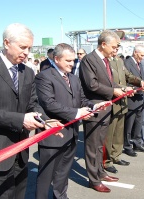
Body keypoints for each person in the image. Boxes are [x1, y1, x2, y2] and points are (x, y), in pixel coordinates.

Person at [0, 23, 63, 199]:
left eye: (29, 48)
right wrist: (20, 119)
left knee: (19, 194)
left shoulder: (28, 72)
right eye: (23, 47)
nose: (27, 53)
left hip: (21, 149)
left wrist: (45, 120)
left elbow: (33, 104)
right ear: (7, 43)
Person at [35, 43, 106, 198]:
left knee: (63, 173)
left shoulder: (73, 78)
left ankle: (60, 196)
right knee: (46, 175)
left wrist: (93, 106)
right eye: (68, 61)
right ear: (56, 59)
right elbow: (49, 103)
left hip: (71, 133)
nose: (72, 64)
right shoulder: (44, 77)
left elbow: (81, 99)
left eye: (73, 60)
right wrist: (76, 113)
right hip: (53, 135)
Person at [79, 30, 125, 193]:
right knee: (92, 146)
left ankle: (100, 172)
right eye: (113, 47)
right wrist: (113, 92)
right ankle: (93, 180)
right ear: (103, 44)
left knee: (100, 145)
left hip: (105, 107)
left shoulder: (106, 60)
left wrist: (124, 88)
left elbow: (110, 82)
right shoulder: (88, 60)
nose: (116, 50)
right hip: (94, 108)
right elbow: (92, 85)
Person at [104, 43, 144, 174]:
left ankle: (116, 156)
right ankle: (107, 161)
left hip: (122, 101)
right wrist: (123, 89)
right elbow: (108, 82)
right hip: (113, 100)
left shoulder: (119, 60)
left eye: (117, 48)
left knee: (119, 132)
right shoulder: (105, 62)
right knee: (110, 134)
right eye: (114, 48)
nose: (116, 50)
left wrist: (139, 82)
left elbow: (128, 75)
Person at [124, 45, 144, 157]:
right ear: (135, 52)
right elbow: (126, 80)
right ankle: (127, 145)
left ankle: (137, 142)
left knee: (138, 123)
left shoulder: (139, 64)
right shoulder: (127, 63)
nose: (143, 57)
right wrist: (136, 88)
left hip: (140, 97)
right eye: (141, 55)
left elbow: (140, 79)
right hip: (132, 98)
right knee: (129, 125)